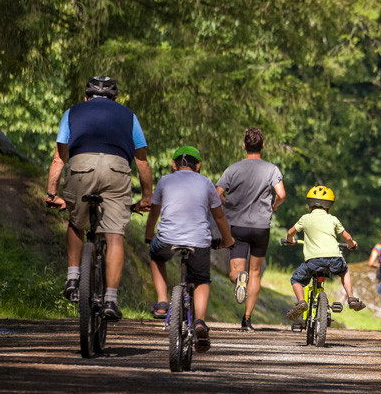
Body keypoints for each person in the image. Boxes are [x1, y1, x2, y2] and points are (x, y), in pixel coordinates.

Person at [45, 75, 153, 321]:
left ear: (86, 97)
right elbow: (141, 161)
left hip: (81, 166)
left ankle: (73, 277)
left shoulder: (72, 112)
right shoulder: (129, 116)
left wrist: (52, 194)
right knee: (114, 234)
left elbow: (59, 159)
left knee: (76, 222)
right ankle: (110, 300)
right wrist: (147, 197)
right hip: (117, 170)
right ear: (115, 98)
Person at [144, 146, 234, 352]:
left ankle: (162, 302)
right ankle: (200, 321)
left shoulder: (165, 181)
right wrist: (228, 240)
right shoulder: (206, 183)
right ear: (198, 165)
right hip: (199, 240)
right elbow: (219, 216)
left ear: (174, 165)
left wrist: (150, 236)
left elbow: (154, 213)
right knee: (201, 279)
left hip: (167, 238)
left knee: (156, 256)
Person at [215, 127, 287, 332]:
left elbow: (217, 193)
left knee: (236, 272)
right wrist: (273, 206)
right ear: (262, 146)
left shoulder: (233, 169)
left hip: (236, 226)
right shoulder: (271, 169)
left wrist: (228, 204)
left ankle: (239, 280)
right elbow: (281, 194)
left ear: (244, 146)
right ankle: (247, 319)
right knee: (255, 273)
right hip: (261, 227)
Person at [283, 185, 366, 318]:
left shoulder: (305, 218)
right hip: (334, 258)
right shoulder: (333, 219)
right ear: (329, 207)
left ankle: (301, 303)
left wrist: (290, 240)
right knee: (344, 271)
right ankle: (351, 298)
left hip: (313, 261)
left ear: (310, 206)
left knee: (296, 280)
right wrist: (351, 244)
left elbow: (290, 232)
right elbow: (347, 237)